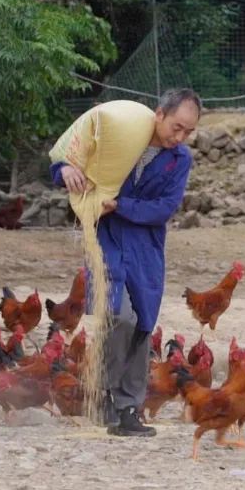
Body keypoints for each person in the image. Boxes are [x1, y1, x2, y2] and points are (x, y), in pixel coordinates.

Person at [50, 88, 200, 437]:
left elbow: (165, 207)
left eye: (188, 132)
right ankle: (104, 393)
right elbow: (73, 152)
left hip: (146, 246)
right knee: (119, 314)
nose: (179, 137)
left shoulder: (180, 159)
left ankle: (128, 409)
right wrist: (65, 170)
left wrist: (122, 206)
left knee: (143, 324)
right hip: (106, 239)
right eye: (176, 127)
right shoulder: (120, 134)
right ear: (158, 114)